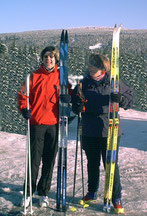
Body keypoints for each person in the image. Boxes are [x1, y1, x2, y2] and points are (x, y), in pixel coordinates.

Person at [71, 53, 133, 213]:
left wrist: (120, 99)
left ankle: (116, 197)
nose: (90, 67)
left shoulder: (114, 82)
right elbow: (75, 101)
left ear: (102, 67)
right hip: (90, 129)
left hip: (109, 129)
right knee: (92, 163)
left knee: (111, 165)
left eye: (94, 65)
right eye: (90, 64)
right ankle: (92, 192)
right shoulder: (83, 83)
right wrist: (76, 107)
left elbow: (129, 98)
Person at [18, 46, 71, 208]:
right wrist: (24, 109)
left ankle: (43, 192)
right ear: (42, 58)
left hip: (55, 125)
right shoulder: (33, 76)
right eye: (46, 57)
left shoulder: (62, 78)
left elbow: (70, 98)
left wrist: (68, 98)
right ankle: (28, 193)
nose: (48, 60)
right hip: (37, 124)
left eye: (52, 57)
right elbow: (23, 96)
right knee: (34, 160)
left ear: (56, 60)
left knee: (49, 161)